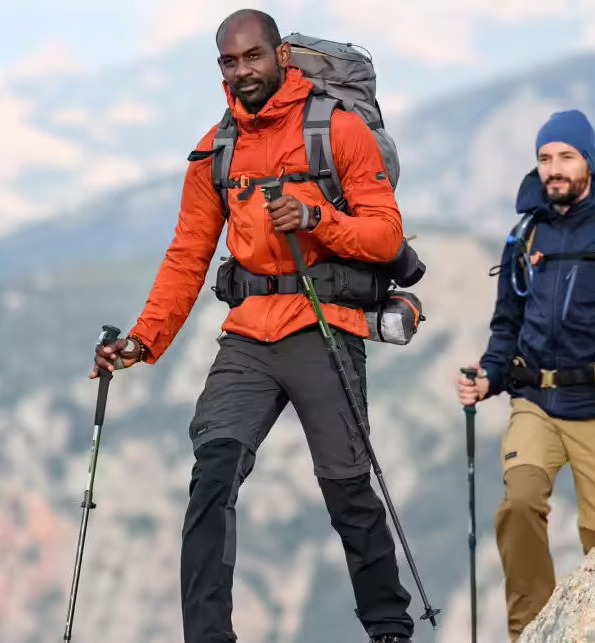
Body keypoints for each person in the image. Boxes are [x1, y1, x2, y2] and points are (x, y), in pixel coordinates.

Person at [92, 9, 416, 643]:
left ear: (281, 57)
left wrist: (317, 218)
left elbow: (386, 236)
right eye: (230, 61)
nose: (242, 71)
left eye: (253, 57)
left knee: (346, 487)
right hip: (249, 335)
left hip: (323, 322)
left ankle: (389, 629)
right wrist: (142, 341)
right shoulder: (216, 150)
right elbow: (187, 254)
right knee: (212, 475)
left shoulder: (337, 129)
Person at [454, 109, 595, 640]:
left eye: (566, 156)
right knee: (519, 504)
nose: (553, 168)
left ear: (589, 162)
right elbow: (507, 325)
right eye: (544, 158)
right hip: (534, 401)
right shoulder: (524, 235)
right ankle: (529, 631)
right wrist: (488, 377)